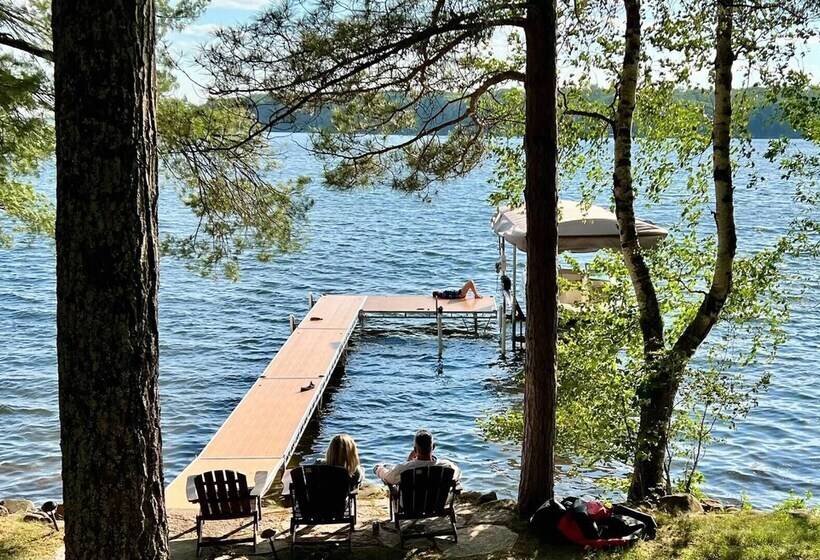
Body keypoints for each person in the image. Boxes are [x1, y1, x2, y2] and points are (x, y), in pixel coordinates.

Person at [281, 433, 364, 496]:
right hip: (339, 508)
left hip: (313, 508)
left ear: (330, 450)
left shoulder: (318, 465)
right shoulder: (354, 472)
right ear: (352, 453)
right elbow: (357, 485)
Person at [374, 429, 461, 486]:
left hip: (410, 506)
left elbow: (388, 478)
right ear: (433, 447)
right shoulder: (447, 466)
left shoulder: (405, 469)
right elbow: (457, 473)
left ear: (415, 450)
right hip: (438, 505)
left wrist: (378, 469)